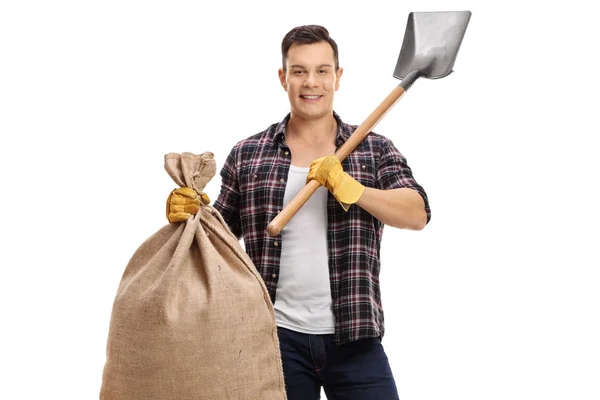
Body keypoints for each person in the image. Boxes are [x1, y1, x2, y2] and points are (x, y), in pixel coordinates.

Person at [167, 24, 431, 400]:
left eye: (323, 70)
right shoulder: (249, 154)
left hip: (355, 336)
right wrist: (188, 215)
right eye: (299, 71)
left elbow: (416, 212)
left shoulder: (373, 149)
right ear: (283, 77)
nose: (312, 82)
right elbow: (216, 239)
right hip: (272, 339)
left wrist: (352, 189)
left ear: (337, 77)